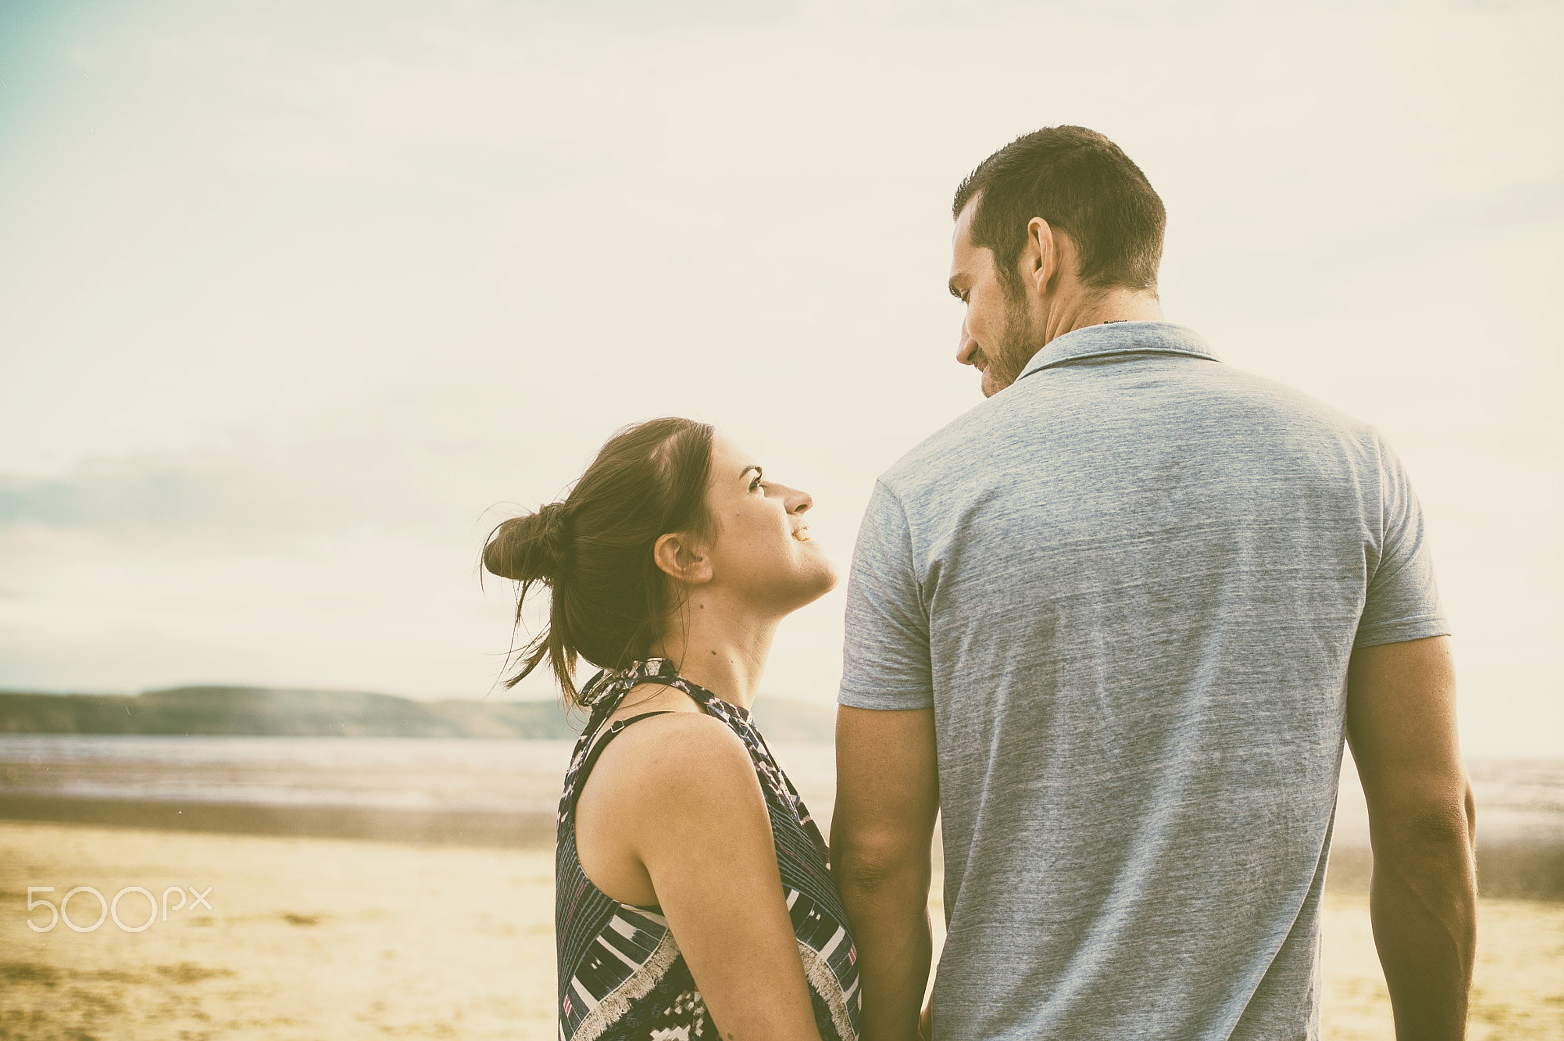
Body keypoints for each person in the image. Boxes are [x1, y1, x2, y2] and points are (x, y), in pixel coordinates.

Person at [830, 125, 1476, 1041]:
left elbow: (878, 861)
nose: (963, 343)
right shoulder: (1353, 464)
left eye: (965, 292)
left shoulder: (920, 496)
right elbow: (1426, 821)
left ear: (1040, 252)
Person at [483, 417, 860, 1041]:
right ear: (685, 556)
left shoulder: (674, 726)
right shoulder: (679, 750)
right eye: (756, 484)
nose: (797, 497)